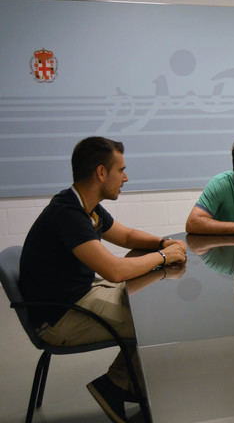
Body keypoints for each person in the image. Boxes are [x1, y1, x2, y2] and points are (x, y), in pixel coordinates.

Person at [19, 136, 187, 423]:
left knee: (152, 305)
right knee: (160, 322)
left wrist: (163, 243)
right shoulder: (68, 213)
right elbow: (115, 271)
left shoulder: (85, 206)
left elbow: (126, 236)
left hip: (74, 297)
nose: (126, 177)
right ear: (101, 172)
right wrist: (164, 257)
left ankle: (126, 384)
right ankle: (115, 387)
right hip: (59, 319)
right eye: (120, 170)